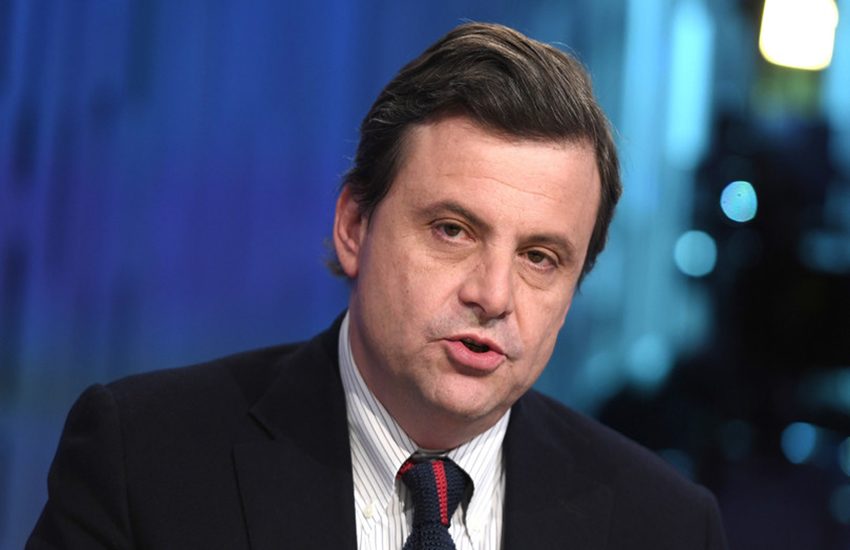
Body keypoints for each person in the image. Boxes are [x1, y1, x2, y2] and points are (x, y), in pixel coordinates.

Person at [28, 22, 728, 549]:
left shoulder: (666, 526)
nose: (493, 296)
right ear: (354, 226)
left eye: (540, 257)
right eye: (453, 230)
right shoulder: (143, 459)